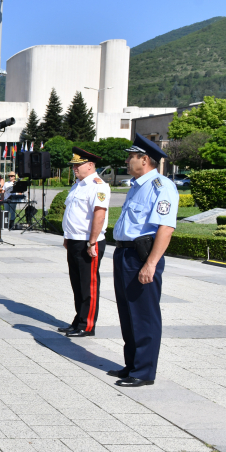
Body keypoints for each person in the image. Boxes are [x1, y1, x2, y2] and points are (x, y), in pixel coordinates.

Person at [109, 134, 178, 387]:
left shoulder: (161, 186)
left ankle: (144, 371)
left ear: (145, 159)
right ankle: (132, 364)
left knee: (144, 314)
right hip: (124, 254)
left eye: (131, 156)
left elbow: (165, 228)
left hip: (142, 257)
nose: (128, 161)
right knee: (128, 313)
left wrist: (150, 264)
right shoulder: (137, 185)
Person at [59, 147, 110, 338]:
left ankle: (87, 325)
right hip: (74, 240)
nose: (75, 168)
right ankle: (78, 320)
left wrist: (92, 241)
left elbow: (99, 214)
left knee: (88, 285)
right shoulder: (78, 185)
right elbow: (71, 213)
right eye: (73, 165)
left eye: (78, 165)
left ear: (90, 165)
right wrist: (67, 236)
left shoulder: (98, 186)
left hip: (88, 242)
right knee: (77, 283)